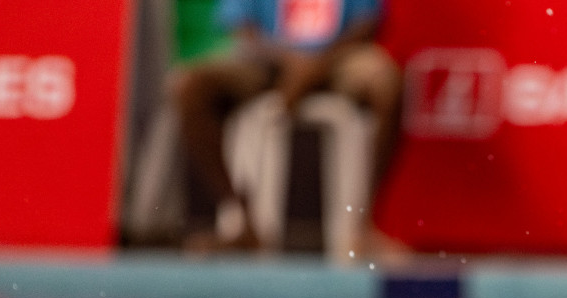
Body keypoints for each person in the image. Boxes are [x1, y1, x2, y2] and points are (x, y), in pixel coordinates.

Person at [172, 0, 402, 253]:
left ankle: (364, 225)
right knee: (191, 89)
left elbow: (367, 22)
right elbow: (240, 24)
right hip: (267, 57)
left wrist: (317, 65)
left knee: (387, 85)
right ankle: (243, 219)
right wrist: (290, 61)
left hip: (340, 56)